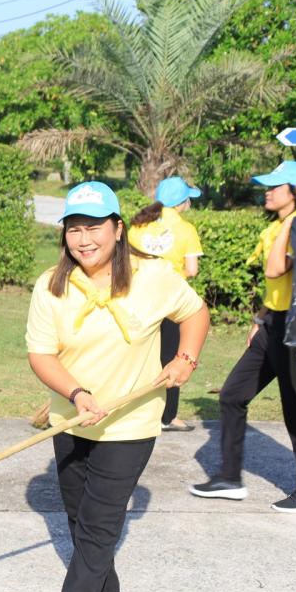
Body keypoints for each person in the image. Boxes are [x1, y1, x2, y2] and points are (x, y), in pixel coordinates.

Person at [27, 181, 209, 592]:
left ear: (117, 228)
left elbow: (195, 313)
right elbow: (41, 355)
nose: (84, 239)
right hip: (70, 418)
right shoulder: (51, 285)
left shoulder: (153, 277)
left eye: (94, 228)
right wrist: (77, 394)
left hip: (130, 424)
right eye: (74, 229)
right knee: (74, 511)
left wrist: (185, 358)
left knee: (99, 524)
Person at [189, 161, 296, 512]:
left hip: (294, 330)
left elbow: (275, 269)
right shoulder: (282, 225)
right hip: (272, 325)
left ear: (295, 192)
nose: (267, 191)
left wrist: (294, 219)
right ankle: (230, 479)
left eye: (275, 186)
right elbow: (277, 285)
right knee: (233, 394)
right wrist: (260, 316)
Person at [127, 176, 205, 432]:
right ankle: (167, 417)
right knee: (170, 358)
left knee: (136, 356)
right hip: (171, 303)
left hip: (138, 300)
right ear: (182, 203)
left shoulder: (138, 226)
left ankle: (131, 410)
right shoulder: (186, 230)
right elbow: (192, 270)